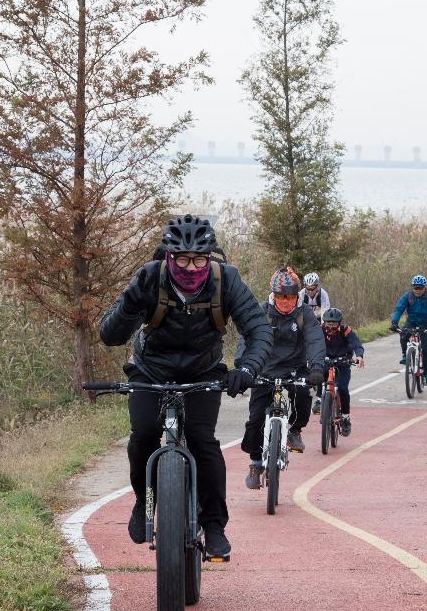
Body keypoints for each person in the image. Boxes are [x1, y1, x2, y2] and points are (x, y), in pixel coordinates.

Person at [99, 214, 272, 560]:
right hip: (151, 370)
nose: (191, 268)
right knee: (144, 434)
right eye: (182, 259)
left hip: (203, 371)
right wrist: (130, 303)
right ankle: (143, 500)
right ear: (167, 256)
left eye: (199, 260)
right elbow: (110, 335)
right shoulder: (149, 278)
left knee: (204, 441)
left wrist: (248, 369)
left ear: (211, 257)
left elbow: (258, 329)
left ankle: (214, 525)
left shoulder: (227, 280)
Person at [240, 267, 326, 489]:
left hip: (295, 366)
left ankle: (295, 430)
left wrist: (316, 367)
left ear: (298, 295)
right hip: (265, 367)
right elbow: (247, 338)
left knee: (302, 394)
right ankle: (255, 463)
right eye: (281, 296)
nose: (286, 301)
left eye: (290, 296)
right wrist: (243, 366)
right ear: (273, 294)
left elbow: (315, 339)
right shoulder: (263, 311)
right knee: (255, 417)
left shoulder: (304, 312)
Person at [317, 307, 365, 436]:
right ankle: (318, 399)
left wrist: (359, 356)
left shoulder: (345, 330)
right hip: (325, 361)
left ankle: (345, 417)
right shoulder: (319, 330)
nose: (331, 325)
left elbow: (356, 344)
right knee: (316, 375)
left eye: (333, 323)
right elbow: (311, 344)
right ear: (324, 322)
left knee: (343, 388)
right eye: (328, 322)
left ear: (339, 322)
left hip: (343, 363)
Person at [391, 274, 427, 386]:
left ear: (424, 287)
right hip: (412, 322)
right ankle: (404, 355)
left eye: (420, 288)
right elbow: (399, 309)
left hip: (426, 324)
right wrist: (394, 322)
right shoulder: (407, 296)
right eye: (415, 288)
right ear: (412, 287)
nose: (418, 290)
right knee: (403, 334)